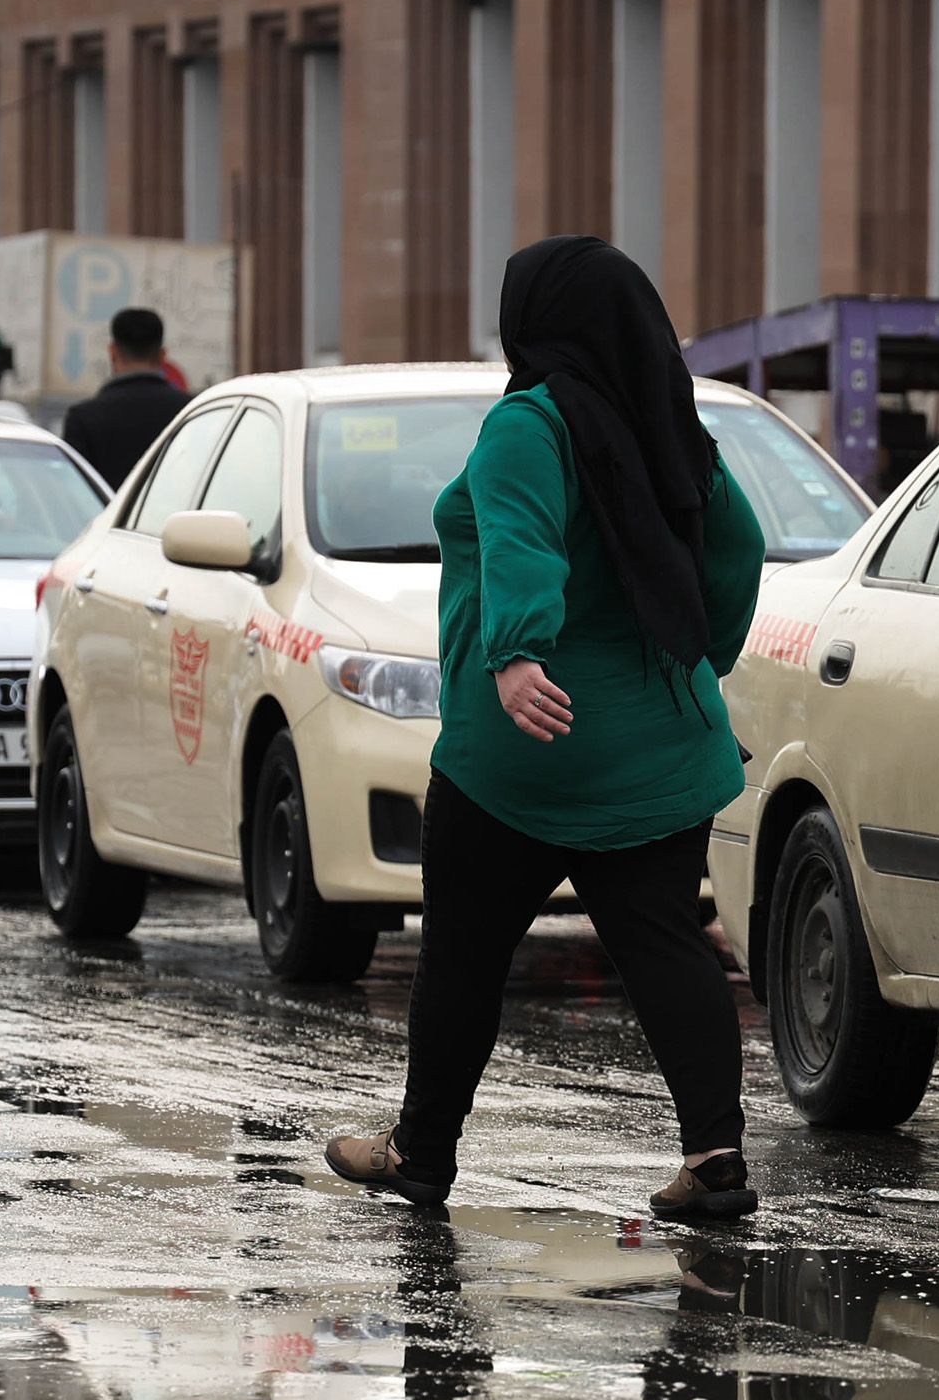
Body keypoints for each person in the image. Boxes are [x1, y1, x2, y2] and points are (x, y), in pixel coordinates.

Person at [323, 236, 770, 1223]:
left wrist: (521, 651)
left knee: (463, 958)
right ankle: (716, 1160)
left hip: (523, 752)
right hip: (658, 744)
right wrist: (700, 660)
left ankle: (421, 1156)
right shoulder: (671, 424)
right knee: (667, 948)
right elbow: (737, 548)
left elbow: (521, 533)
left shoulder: (529, 423)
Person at [59, 306, 186, 487]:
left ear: (112, 352)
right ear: (163, 355)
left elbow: (73, 489)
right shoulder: (188, 412)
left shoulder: (83, 418)